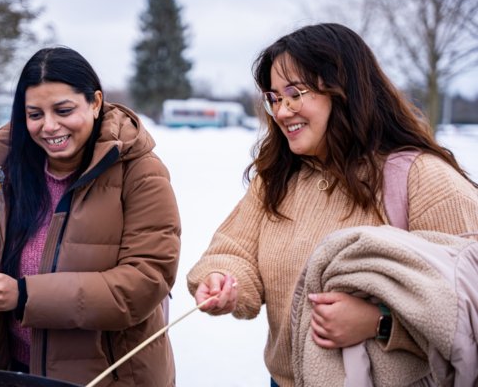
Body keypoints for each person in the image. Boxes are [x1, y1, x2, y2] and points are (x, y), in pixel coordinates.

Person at [186, 23, 478, 387]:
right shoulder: (278, 177)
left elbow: (469, 307)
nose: (280, 111)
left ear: (344, 91)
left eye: (294, 93)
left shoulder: (423, 178)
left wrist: (380, 322)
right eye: (274, 97)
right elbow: (234, 251)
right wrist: (223, 280)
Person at [0, 47, 181, 387]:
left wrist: (24, 295)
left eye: (63, 110)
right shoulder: (0, 175)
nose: (49, 126)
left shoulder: (140, 172)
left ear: (95, 103)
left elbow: (146, 280)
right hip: (5, 374)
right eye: (34, 114)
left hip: (109, 378)